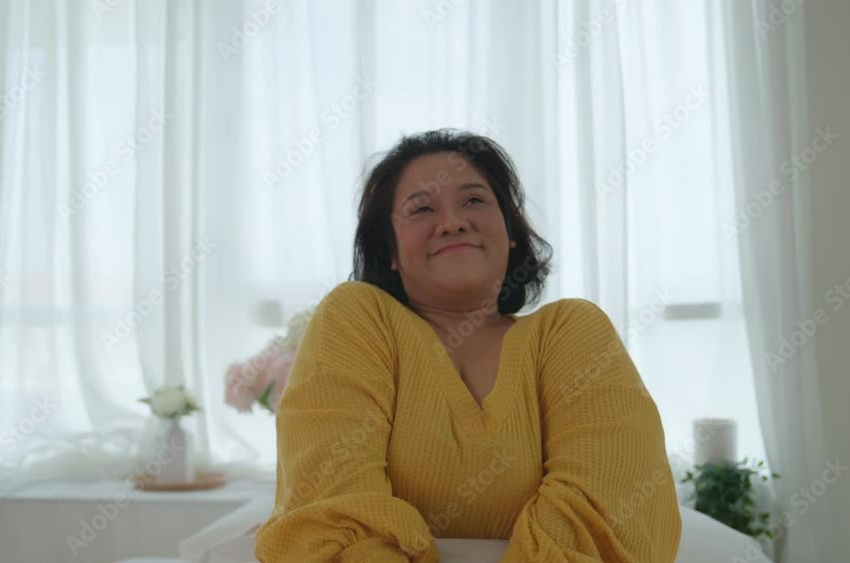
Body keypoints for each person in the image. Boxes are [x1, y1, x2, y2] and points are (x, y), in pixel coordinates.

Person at [254, 129, 681, 562]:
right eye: (421, 209)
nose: (453, 222)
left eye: (474, 200)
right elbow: (331, 509)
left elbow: (608, 508)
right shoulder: (357, 318)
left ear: (510, 231)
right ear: (391, 252)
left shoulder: (571, 330)